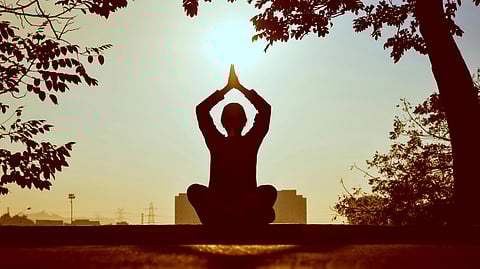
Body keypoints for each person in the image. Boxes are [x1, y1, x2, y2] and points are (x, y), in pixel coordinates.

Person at [187, 65, 277, 226]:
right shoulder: (250, 141)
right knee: (269, 192)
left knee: (194, 190)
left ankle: (226, 218)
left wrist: (227, 89)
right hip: (240, 206)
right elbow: (265, 109)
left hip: (223, 207)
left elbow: (201, 110)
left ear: (222, 122)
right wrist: (240, 88)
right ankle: (240, 218)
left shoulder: (217, 141)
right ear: (245, 121)